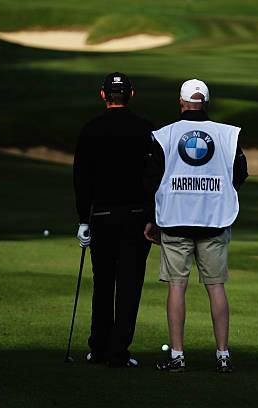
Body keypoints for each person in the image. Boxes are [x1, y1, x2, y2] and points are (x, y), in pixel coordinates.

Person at [145, 79, 248, 373]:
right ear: (206, 102)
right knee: (216, 287)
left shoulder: (164, 135)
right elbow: (240, 173)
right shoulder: (227, 135)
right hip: (214, 220)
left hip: (174, 221)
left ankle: (177, 355)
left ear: (181, 103)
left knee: (177, 287)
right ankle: (223, 355)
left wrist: (151, 219)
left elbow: (151, 180)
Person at [73, 72, 155, 367]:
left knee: (103, 282)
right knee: (130, 284)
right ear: (131, 95)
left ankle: (98, 348)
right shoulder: (146, 128)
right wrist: (152, 216)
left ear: (103, 95)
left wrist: (84, 219)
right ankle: (119, 352)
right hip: (136, 217)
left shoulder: (91, 129)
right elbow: (154, 176)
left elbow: (81, 178)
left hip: (102, 216)